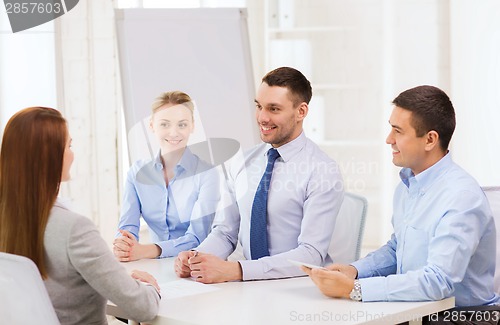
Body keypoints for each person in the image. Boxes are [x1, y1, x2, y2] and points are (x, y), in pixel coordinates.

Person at [303, 85, 500, 324]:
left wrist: (355, 289)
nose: (389, 139)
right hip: (420, 310)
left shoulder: (461, 197)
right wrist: (355, 271)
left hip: (465, 317)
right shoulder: (409, 184)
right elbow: (399, 248)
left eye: (398, 131)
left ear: (430, 139)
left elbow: (438, 281)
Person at [174, 66, 344, 283]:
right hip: (249, 288)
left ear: (301, 112)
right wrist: (197, 257)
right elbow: (225, 233)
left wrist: (236, 271)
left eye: (274, 109)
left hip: (298, 287)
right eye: (259, 106)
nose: (262, 117)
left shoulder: (322, 171)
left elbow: (311, 254)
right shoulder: (242, 162)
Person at [0, 107, 160, 324]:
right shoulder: (73, 229)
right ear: (50, 156)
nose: (73, 154)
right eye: (69, 145)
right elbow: (143, 308)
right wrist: (149, 287)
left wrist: (119, 282)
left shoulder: (7, 220)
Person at [113, 91, 220, 261]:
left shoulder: (207, 174)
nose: (173, 133)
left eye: (182, 125)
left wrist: (146, 251)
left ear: (192, 126)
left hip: (195, 265)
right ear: (152, 125)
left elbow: (197, 238)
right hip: (154, 266)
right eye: (164, 124)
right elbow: (127, 228)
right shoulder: (137, 172)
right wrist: (123, 246)